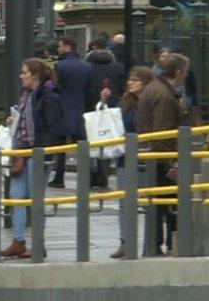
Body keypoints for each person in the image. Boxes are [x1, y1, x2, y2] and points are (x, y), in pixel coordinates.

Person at [1, 58, 62, 259]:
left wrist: (44, 151)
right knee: (17, 197)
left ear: (35, 75)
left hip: (36, 153)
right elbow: (24, 120)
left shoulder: (47, 96)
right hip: (22, 153)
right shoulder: (26, 96)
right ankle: (18, 241)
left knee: (36, 199)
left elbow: (53, 127)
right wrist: (13, 122)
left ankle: (38, 244)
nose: (21, 76)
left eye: (24, 72)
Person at [138, 53, 190, 256]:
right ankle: (164, 244)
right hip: (161, 157)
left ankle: (158, 244)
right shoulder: (164, 96)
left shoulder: (155, 88)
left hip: (154, 155)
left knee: (160, 204)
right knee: (167, 203)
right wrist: (170, 162)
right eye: (184, 72)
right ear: (177, 72)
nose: (185, 76)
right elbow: (162, 132)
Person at [104, 66, 154, 259]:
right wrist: (104, 102)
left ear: (146, 82)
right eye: (129, 79)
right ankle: (125, 242)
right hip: (125, 158)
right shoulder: (125, 102)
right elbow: (115, 122)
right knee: (125, 203)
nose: (129, 83)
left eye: (135, 80)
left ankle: (150, 244)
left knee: (149, 202)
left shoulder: (150, 102)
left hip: (145, 158)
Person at [50, 37, 91, 188]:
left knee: (60, 148)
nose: (58, 49)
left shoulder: (59, 66)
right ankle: (85, 179)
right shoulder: (86, 66)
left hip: (62, 111)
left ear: (67, 47)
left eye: (60, 46)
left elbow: (52, 86)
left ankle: (58, 178)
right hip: (80, 111)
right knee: (82, 148)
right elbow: (90, 90)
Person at [86, 38, 126, 189]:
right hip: (113, 107)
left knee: (92, 140)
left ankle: (91, 175)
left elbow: (87, 88)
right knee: (108, 138)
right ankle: (103, 176)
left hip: (92, 108)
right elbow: (122, 87)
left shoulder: (87, 66)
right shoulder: (117, 67)